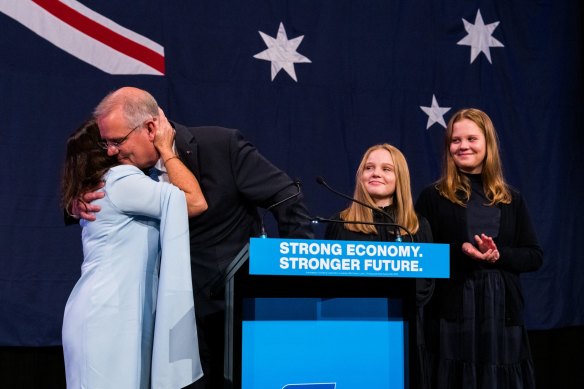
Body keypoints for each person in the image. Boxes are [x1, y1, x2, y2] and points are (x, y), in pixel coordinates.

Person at [73, 86, 314, 388]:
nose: (110, 151)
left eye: (116, 141)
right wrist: (74, 204)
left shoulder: (220, 146)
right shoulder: (122, 165)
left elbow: (285, 195)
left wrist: (297, 276)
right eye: (105, 142)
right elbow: (81, 175)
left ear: (150, 128)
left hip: (224, 311)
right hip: (164, 316)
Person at [61, 117, 207, 388]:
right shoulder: (119, 179)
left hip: (111, 311)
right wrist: (167, 150)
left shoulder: (105, 184)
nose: (119, 147)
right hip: (109, 316)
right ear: (104, 150)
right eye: (113, 141)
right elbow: (194, 201)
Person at [415, 108, 543, 388]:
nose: (463, 146)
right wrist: (461, 251)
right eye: (455, 140)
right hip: (451, 315)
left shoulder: (512, 199)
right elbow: (419, 256)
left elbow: (534, 256)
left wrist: (499, 255)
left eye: (471, 138)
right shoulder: (432, 197)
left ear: (488, 144)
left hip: (501, 314)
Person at [324, 143, 433, 388]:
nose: (376, 173)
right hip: (351, 335)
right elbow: (327, 282)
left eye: (386, 169)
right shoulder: (340, 223)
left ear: (400, 178)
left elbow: (425, 286)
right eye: (369, 167)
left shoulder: (417, 226)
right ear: (360, 175)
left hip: (403, 334)